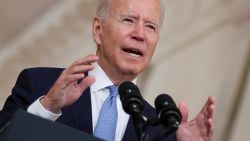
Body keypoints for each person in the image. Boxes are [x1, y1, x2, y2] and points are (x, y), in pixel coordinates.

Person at [0, 0, 215, 141]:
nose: (140, 34)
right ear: (97, 30)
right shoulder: (39, 83)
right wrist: (47, 108)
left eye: (150, 26)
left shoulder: (160, 129)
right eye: (129, 20)